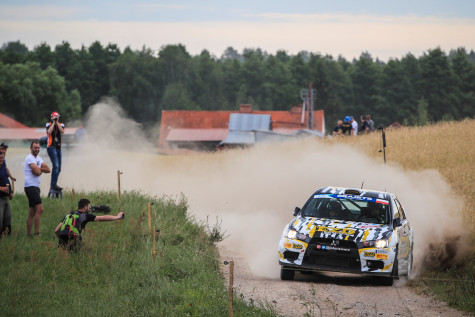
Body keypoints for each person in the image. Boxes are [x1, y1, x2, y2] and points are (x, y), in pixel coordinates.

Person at [54, 198, 125, 251]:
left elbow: (56, 230)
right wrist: (118, 217)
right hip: (75, 239)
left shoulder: (68, 215)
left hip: (62, 241)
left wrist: (62, 239)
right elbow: (104, 217)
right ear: (85, 207)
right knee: (85, 254)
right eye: (89, 206)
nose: (89, 208)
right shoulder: (85, 215)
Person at [24, 141, 50, 236]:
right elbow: (36, 172)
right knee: (40, 209)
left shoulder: (38, 158)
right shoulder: (30, 158)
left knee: (32, 211)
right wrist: (40, 169)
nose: (37, 149)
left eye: (38, 148)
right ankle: (37, 233)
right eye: (35, 148)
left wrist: (39, 168)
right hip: (30, 187)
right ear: (31, 148)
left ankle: (29, 234)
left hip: (35, 187)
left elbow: (48, 169)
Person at [46, 111, 64, 191]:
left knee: (59, 168)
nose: (56, 119)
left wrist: (57, 123)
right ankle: (53, 184)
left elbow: (62, 131)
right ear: (51, 118)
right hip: (51, 146)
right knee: (56, 165)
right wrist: (53, 123)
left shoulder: (61, 125)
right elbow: (49, 131)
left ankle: (54, 184)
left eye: (57, 117)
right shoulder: (48, 124)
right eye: (55, 117)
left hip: (58, 147)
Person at [0, 151, 13, 237]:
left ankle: (6, 235)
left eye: (2, 158)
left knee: (7, 217)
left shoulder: (3, 166)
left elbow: (6, 179)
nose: (1, 159)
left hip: (6, 197)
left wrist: (10, 192)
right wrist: (1, 188)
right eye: (0, 158)